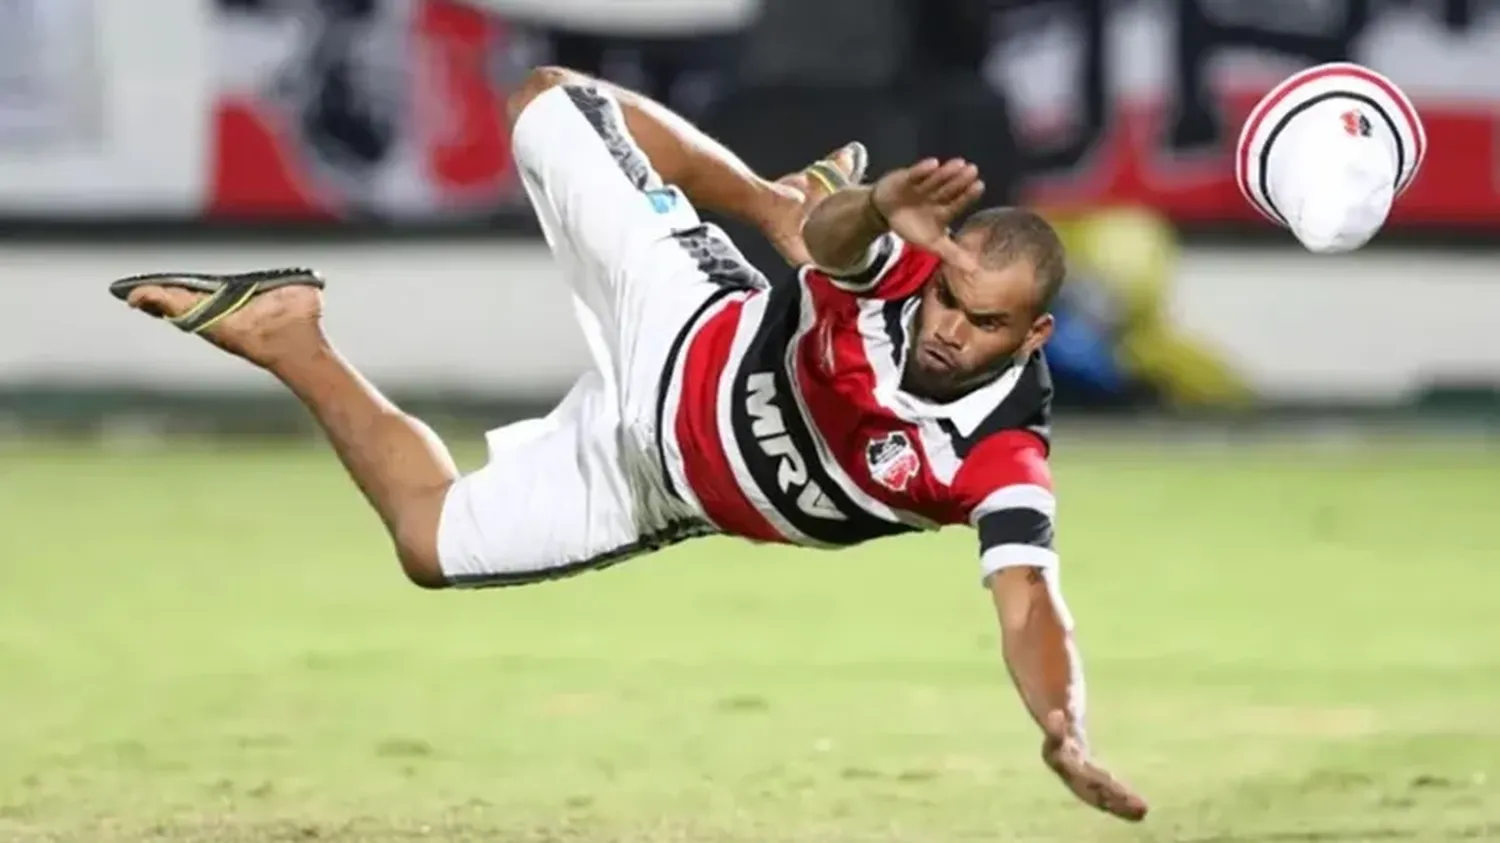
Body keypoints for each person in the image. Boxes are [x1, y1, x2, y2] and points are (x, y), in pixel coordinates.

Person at [109, 65, 1147, 823]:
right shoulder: (911, 276)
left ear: (1036, 336)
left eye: (990, 324)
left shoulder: (1003, 453)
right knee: (547, 103)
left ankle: (288, 332)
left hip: (657, 488)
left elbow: (1028, 600)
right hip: (685, 325)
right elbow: (844, 251)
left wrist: (1062, 724)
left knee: (430, 544)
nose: (955, 329)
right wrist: (865, 208)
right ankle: (766, 196)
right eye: (955, 300)